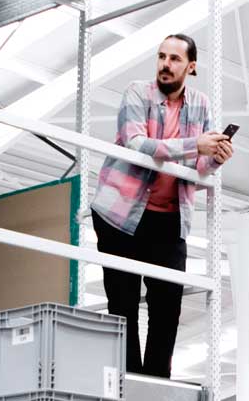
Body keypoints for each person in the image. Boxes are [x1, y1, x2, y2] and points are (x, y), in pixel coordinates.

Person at [90, 33, 233, 379]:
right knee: (123, 305)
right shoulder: (138, 92)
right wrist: (195, 144)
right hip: (121, 216)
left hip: (169, 219)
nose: (165, 65)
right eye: (161, 57)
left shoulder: (200, 104)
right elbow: (137, 143)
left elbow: (196, 167)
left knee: (167, 307)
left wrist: (214, 160)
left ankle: (154, 385)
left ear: (191, 67)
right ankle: (127, 382)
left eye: (175, 59)